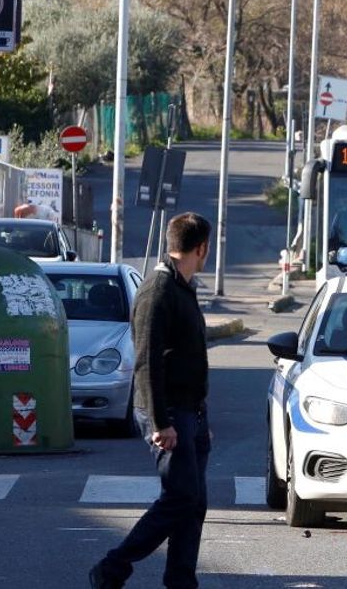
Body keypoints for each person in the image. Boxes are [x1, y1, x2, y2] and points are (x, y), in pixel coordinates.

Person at [91, 212, 213, 589]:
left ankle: (180, 581)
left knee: (193, 504)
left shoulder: (182, 286)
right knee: (180, 497)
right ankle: (112, 568)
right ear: (202, 249)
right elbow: (145, 359)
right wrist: (161, 422)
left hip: (190, 412)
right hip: (169, 413)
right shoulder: (158, 290)